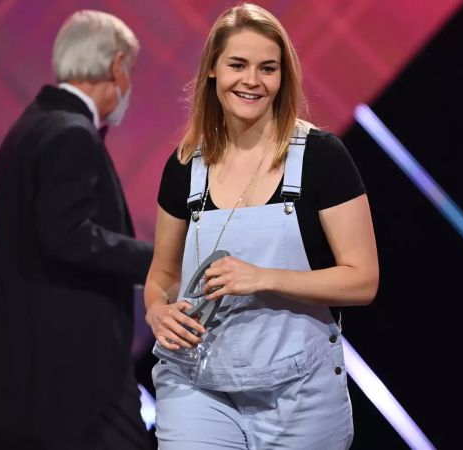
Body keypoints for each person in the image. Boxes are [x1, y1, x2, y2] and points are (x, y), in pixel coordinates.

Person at [144, 3, 379, 449]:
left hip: (299, 393)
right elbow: (162, 275)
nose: (252, 80)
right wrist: (157, 310)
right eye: (238, 65)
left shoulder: (323, 158)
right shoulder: (183, 167)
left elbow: (363, 281)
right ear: (213, 69)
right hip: (198, 384)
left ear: (282, 77)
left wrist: (261, 278)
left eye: (267, 68)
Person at [0, 10, 153, 450]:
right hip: (73, 364)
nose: (129, 85)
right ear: (115, 67)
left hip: (29, 362)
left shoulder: (33, 125)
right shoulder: (70, 134)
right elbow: (68, 236)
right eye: (128, 70)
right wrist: (160, 259)